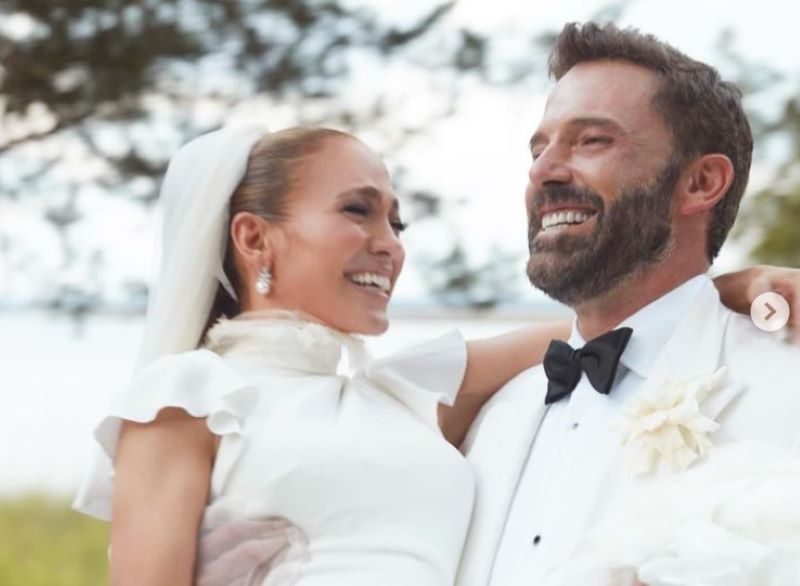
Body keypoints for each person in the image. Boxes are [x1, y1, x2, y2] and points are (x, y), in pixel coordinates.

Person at [73, 124, 791, 586]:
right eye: (357, 210)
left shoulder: (401, 394)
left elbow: (603, 332)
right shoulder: (188, 394)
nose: (389, 244)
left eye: (397, 221)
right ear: (255, 238)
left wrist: (730, 287)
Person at [457, 22, 800, 586]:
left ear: (701, 182)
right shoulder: (494, 418)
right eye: (539, 149)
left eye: (593, 140)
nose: (542, 171)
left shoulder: (785, 387)